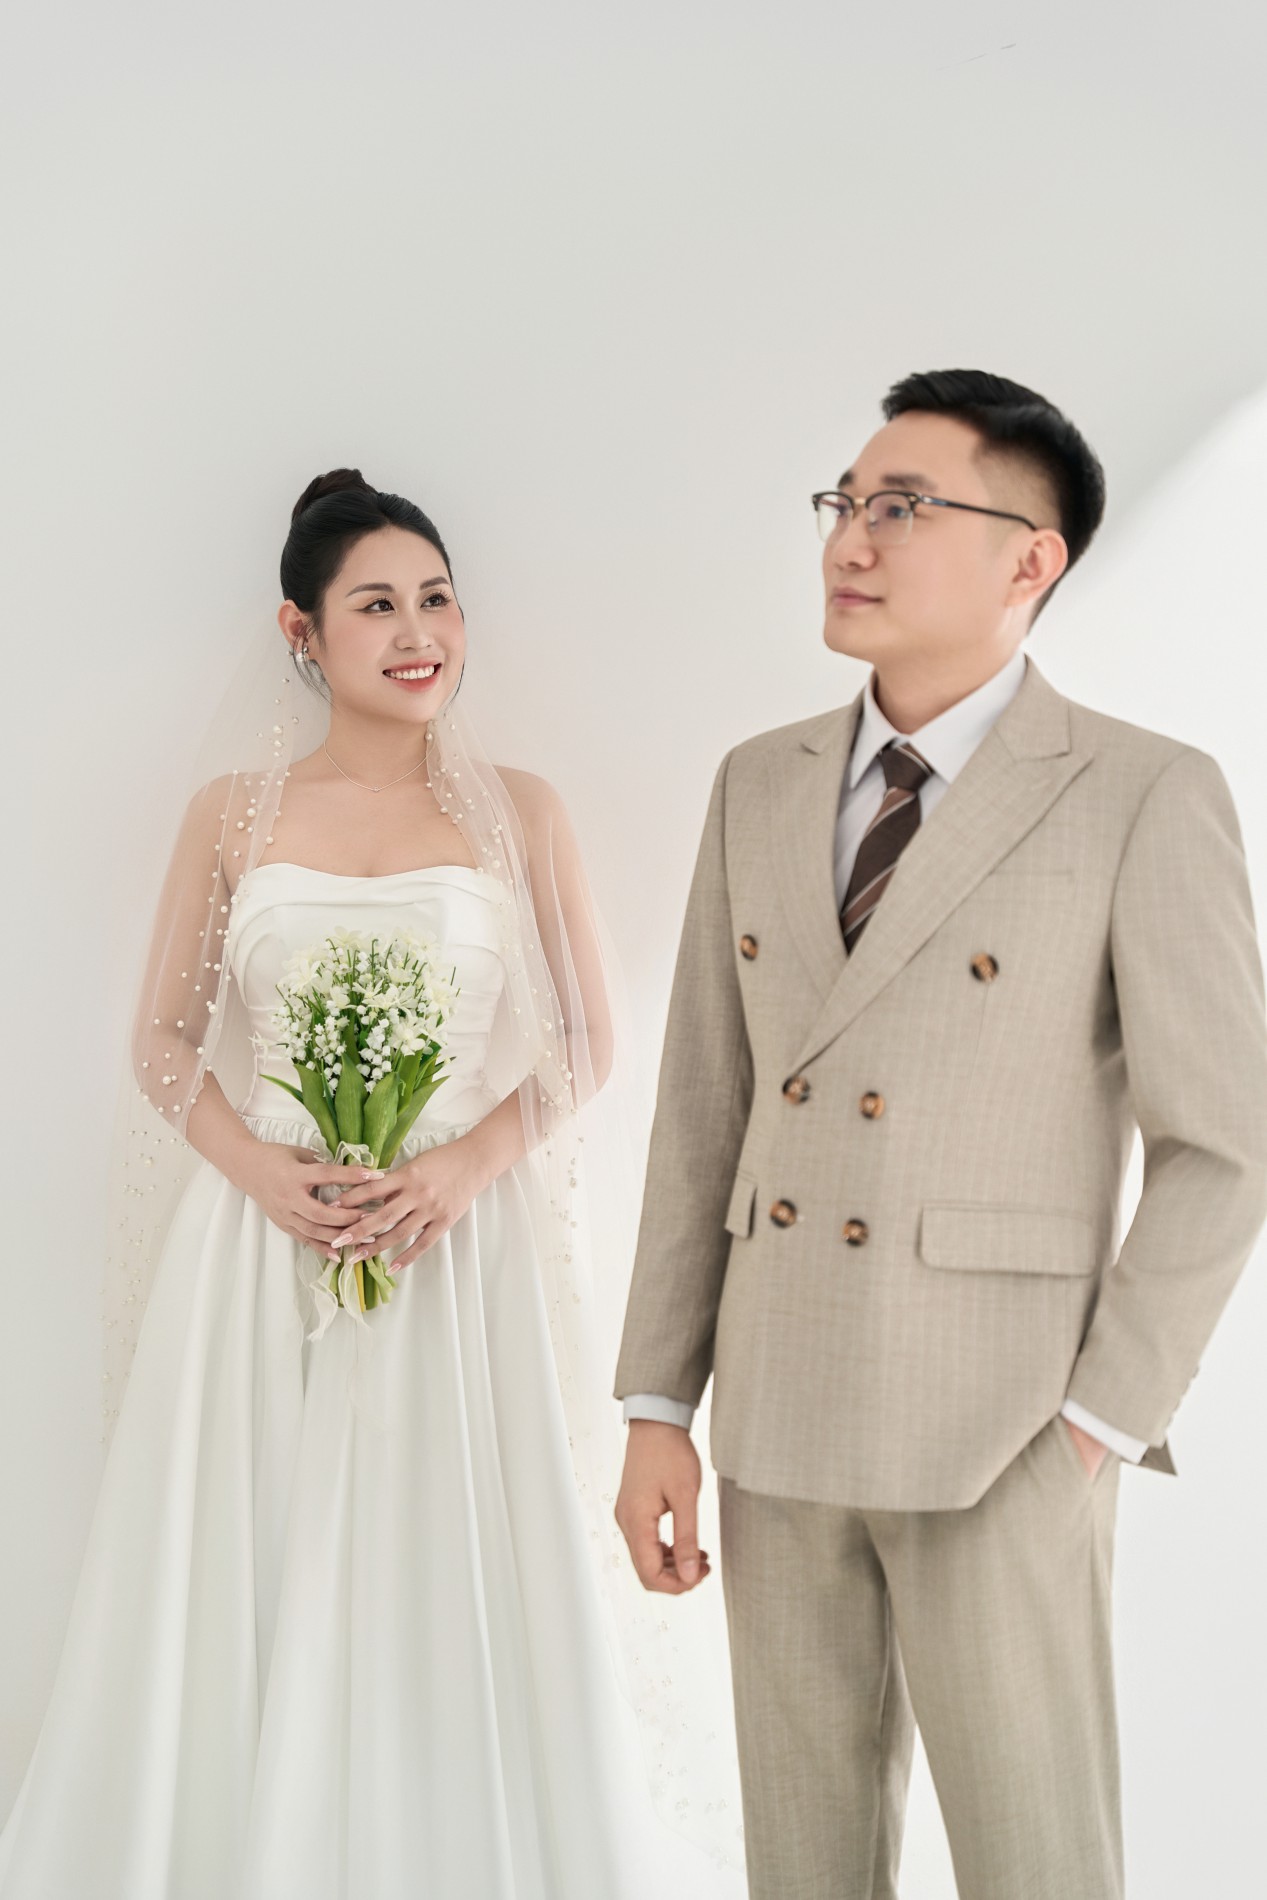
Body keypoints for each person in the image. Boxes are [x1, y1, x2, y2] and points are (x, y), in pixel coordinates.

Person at [0, 471, 745, 1898]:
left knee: (447, 1541)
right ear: (304, 631)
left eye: (439, 599)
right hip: (256, 1246)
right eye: (379, 605)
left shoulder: (520, 810)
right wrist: (263, 1174)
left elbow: (587, 1042)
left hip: (450, 1242)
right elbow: (162, 1042)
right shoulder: (233, 813)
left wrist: (463, 1166)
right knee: (252, 1538)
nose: (420, 633)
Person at [613, 368, 1267, 1899]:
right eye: (844, 502)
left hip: (1002, 1430)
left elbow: (1226, 1144)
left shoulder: (1139, 792)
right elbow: (702, 1106)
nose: (851, 538)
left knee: (1038, 1863)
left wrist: (1098, 1425)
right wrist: (657, 1402)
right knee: (804, 1864)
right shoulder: (757, 782)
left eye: (902, 507)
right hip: (778, 1412)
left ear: (1029, 558)